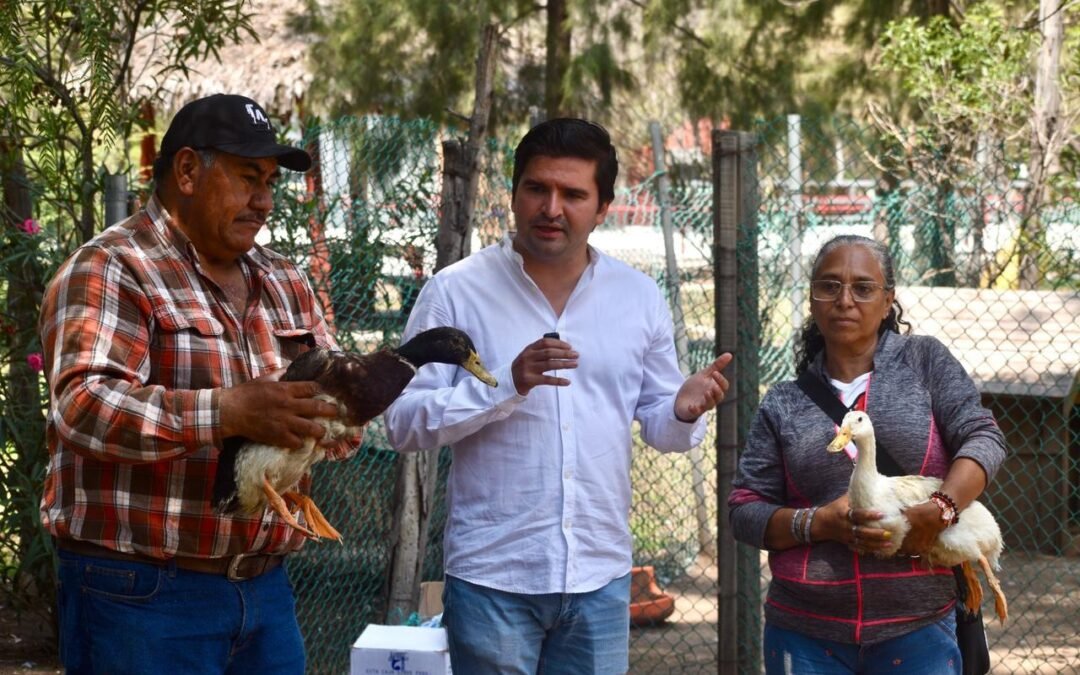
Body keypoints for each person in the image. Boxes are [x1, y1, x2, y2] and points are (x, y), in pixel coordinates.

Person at [383, 117, 732, 674]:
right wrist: (506, 383)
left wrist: (682, 410)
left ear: (603, 207)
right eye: (536, 188)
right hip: (493, 577)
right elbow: (403, 423)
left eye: (573, 194)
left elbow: (664, 431)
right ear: (513, 193)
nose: (551, 208)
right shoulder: (456, 291)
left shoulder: (638, 297)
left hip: (600, 577)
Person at [39, 94, 361, 674]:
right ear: (187, 171)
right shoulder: (112, 267)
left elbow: (335, 396)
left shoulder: (283, 279)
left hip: (264, 589)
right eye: (247, 178)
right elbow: (83, 407)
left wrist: (332, 419)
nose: (264, 202)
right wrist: (229, 412)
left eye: (269, 183)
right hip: (140, 594)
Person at [728, 234, 1007, 674]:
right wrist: (818, 523)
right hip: (805, 629)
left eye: (863, 287)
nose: (845, 300)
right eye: (829, 286)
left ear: (888, 299)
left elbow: (983, 436)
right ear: (812, 299)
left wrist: (941, 508)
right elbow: (744, 510)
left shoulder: (924, 363)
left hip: (918, 626)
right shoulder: (784, 402)